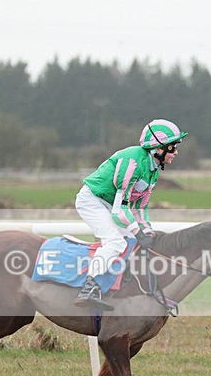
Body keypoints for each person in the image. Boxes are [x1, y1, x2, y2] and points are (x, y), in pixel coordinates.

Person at [74, 118, 187, 310]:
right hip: (92, 200)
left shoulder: (154, 170)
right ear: (158, 149)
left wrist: (146, 230)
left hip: (111, 203)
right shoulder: (133, 161)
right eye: (173, 147)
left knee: (132, 242)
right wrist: (137, 231)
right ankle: (88, 287)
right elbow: (120, 211)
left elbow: (140, 208)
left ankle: (123, 286)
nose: (175, 152)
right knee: (115, 242)